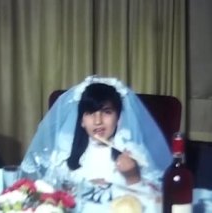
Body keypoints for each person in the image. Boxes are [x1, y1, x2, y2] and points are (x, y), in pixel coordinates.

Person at [20, 76, 172, 212]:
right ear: (81, 120)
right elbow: (48, 197)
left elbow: (155, 204)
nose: (98, 121)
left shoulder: (133, 152)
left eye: (106, 112)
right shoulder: (63, 154)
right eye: (90, 113)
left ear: (119, 118)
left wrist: (133, 178)